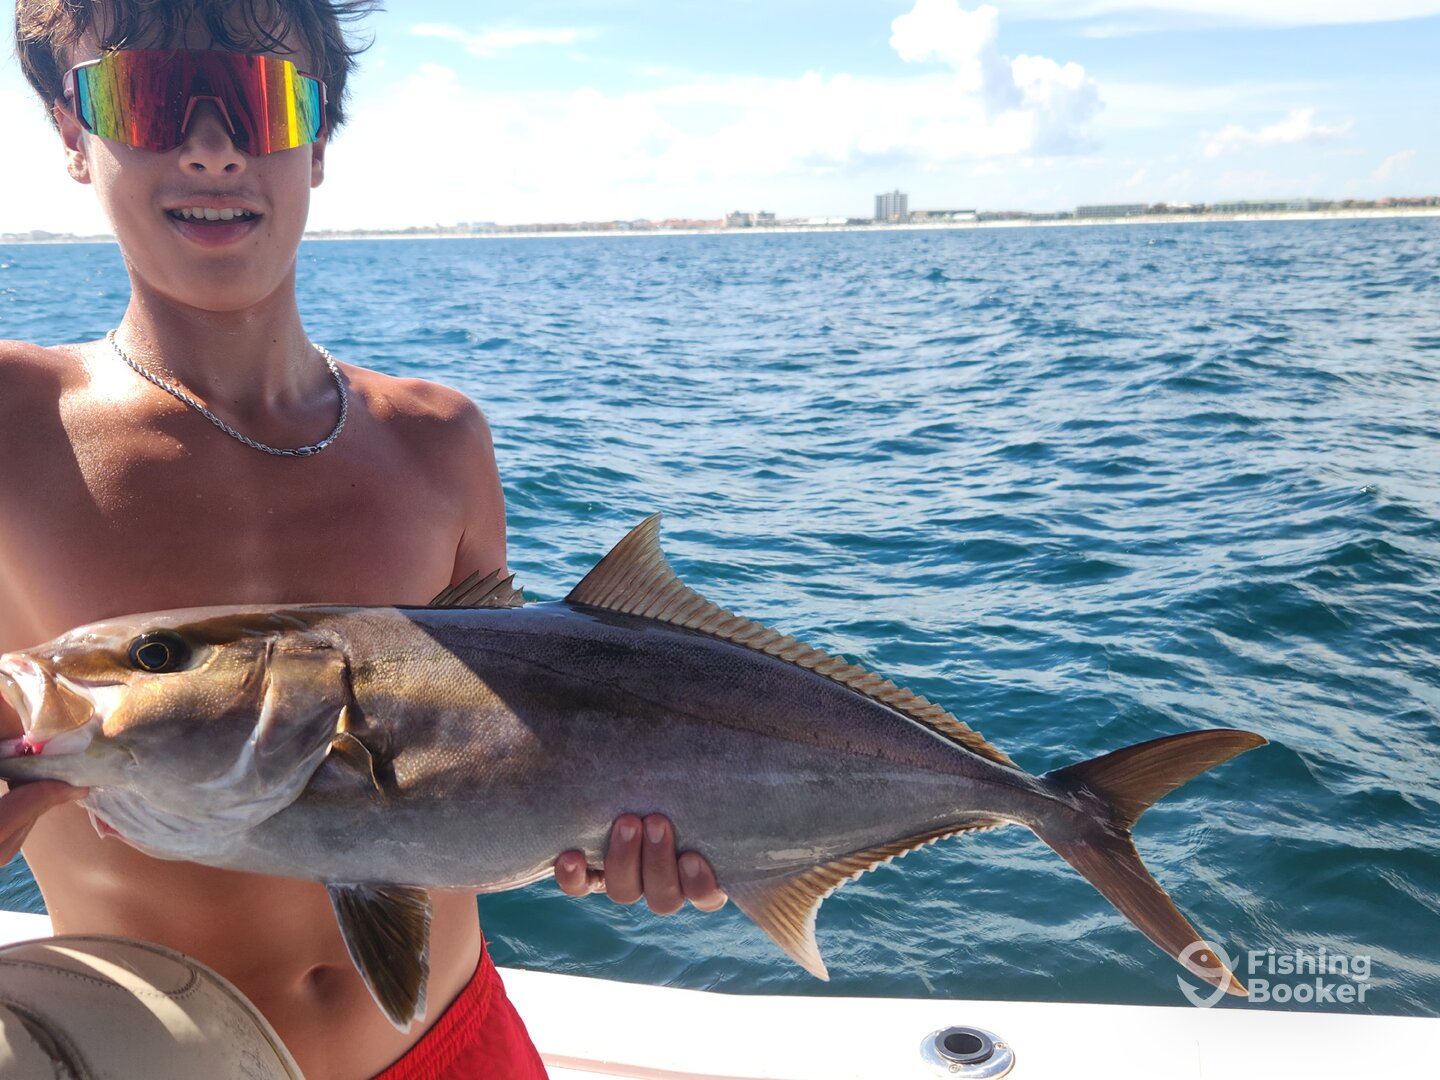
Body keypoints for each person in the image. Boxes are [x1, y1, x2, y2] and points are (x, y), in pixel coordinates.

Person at [1, 2, 727, 1077]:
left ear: (318, 142)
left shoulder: (441, 439)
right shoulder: (13, 421)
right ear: (73, 132)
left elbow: (521, 732)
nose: (211, 146)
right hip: (163, 1058)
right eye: (147, 96)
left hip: (462, 1039)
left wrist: (629, 827)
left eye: (259, 100)